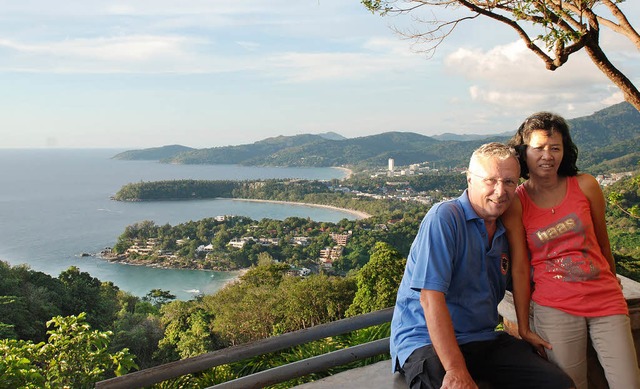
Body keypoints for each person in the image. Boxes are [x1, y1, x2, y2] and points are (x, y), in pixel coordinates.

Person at [390, 142, 574, 389]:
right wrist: (456, 369)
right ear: (470, 180)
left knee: (559, 384)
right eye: (490, 181)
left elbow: (527, 276)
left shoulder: (506, 230)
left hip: (482, 338)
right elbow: (430, 298)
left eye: (509, 182)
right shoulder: (445, 217)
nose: (500, 191)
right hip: (426, 340)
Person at [503, 112, 640, 389]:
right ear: (523, 152)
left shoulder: (586, 185)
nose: (547, 155)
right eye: (538, 148)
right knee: (570, 384)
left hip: (605, 302)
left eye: (555, 148)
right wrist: (524, 325)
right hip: (555, 307)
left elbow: (603, 244)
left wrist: (611, 282)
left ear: (565, 151)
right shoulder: (517, 202)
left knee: (628, 382)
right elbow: (519, 266)